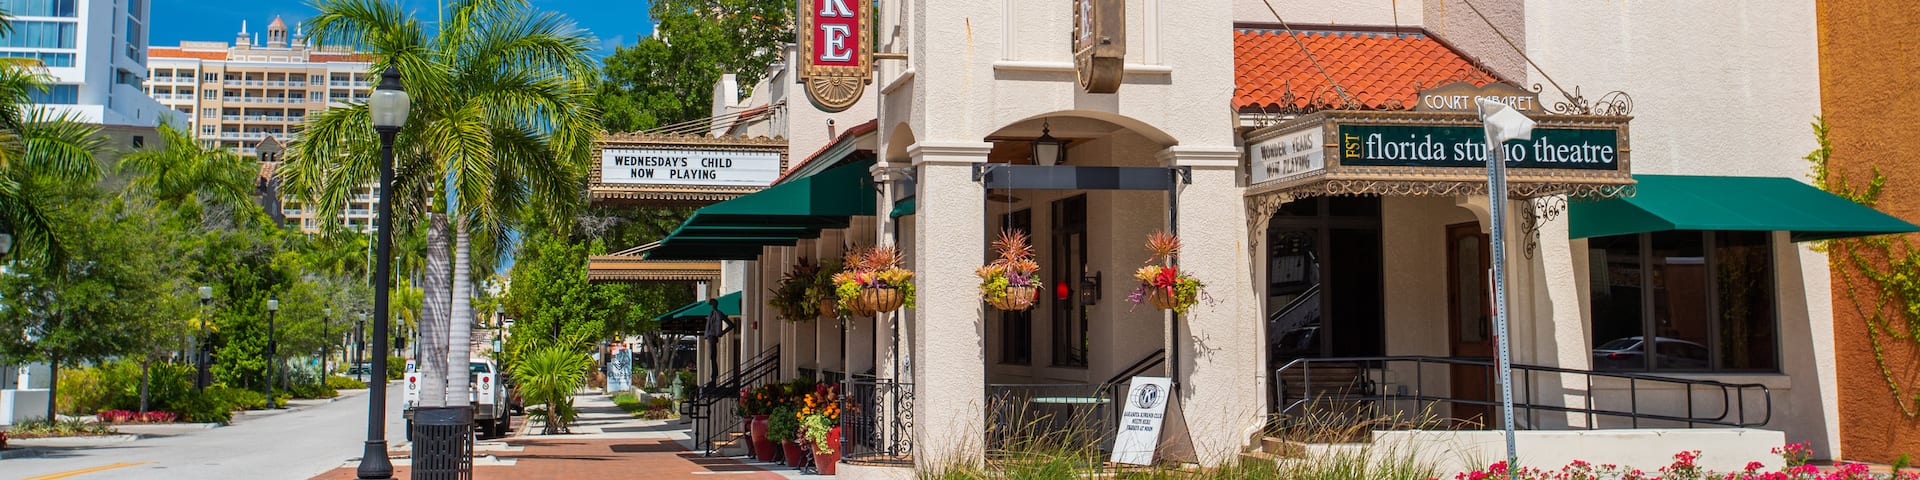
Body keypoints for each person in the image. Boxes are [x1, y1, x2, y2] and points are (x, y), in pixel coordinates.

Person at [701, 298, 736, 391]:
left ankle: (714, 377)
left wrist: (721, 333)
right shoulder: (711, 314)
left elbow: (731, 325)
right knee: (712, 357)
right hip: (710, 336)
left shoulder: (719, 314)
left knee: (713, 357)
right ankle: (713, 378)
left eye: (712, 304)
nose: (712, 306)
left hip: (713, 336)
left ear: (715, 304)